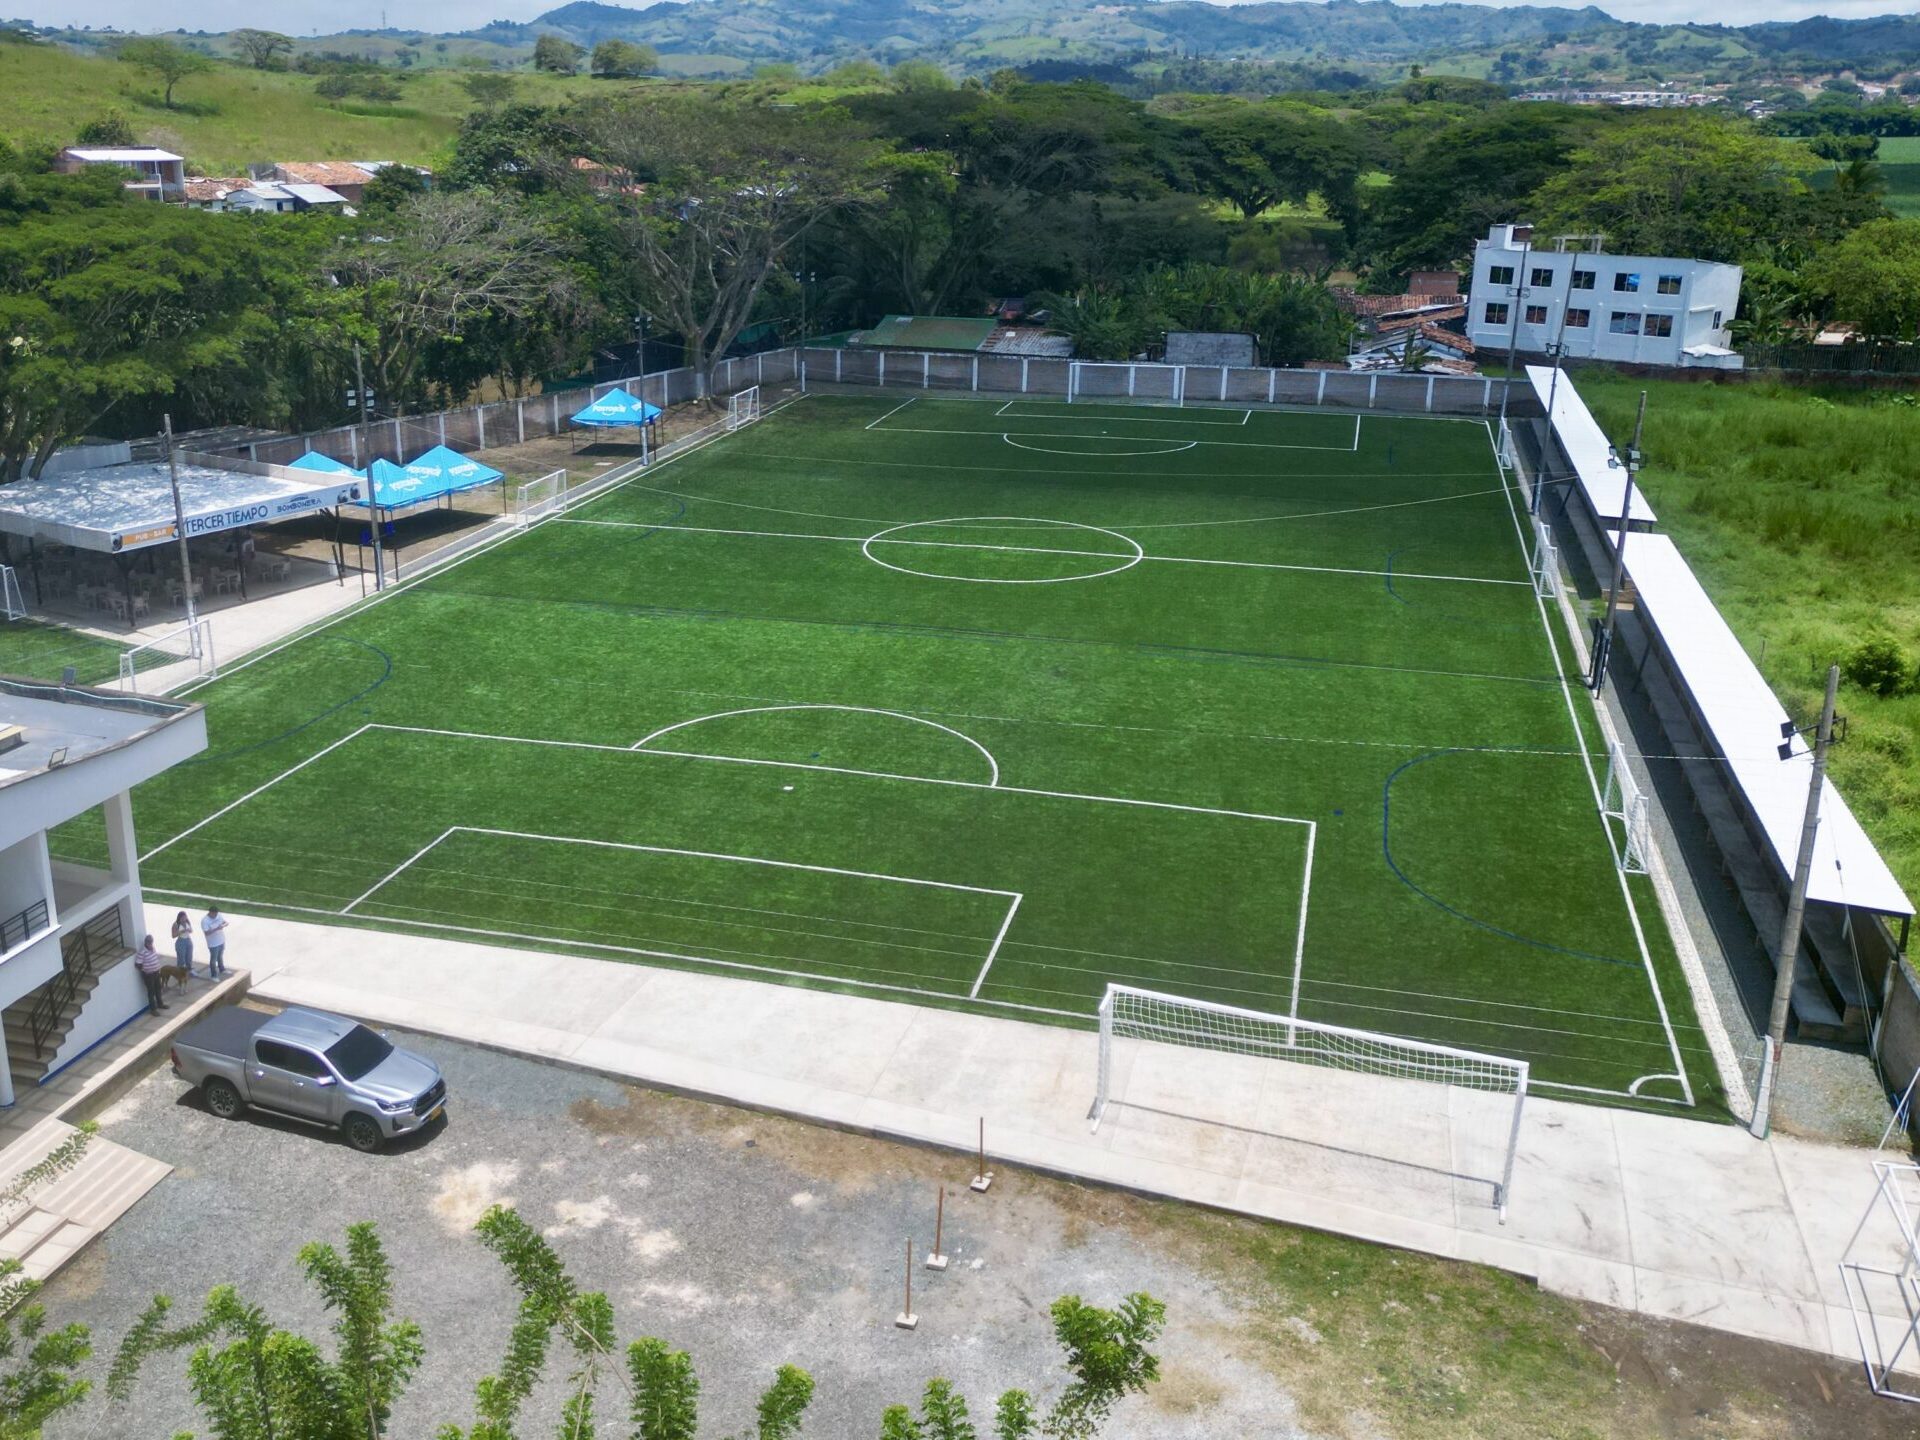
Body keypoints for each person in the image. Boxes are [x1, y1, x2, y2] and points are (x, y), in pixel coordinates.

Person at [134, 935, 166, 1014]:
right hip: (149, 975)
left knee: (158, 988)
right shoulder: (142, 952)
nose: (151, 944)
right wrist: (146, 969)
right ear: (146, 943)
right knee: (151, 992)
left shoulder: (153, 948)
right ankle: (153, 1009)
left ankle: (160, 1004)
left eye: (151, 942)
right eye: (149, 943)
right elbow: (137, 964)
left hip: (156, 972)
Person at [201, 904, 229, 979]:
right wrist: (217, 928)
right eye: (214, 914)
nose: (216, 916)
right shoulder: (205, 921)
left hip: (221, 940)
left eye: (216, 914)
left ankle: (222, 969)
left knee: (220, 956)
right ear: (210, 912)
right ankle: (213, 975)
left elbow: (225, 922)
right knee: (213, 959)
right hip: (213, 943)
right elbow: (206, 933)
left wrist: (223, 925)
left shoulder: (218, 915)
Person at [170, 910, 195, 977]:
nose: (184, 919)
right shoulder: (176, 924)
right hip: (181, 941)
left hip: (188, 940)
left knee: (189, 957)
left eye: (185, 917)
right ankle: (179, 972)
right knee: (181, 959)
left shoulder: (187, 922)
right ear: (179, 918)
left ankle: (189, 970)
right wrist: (181, 931)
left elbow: (191, 930)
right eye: (183, 918)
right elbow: (173, 935)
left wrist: (189, 930)